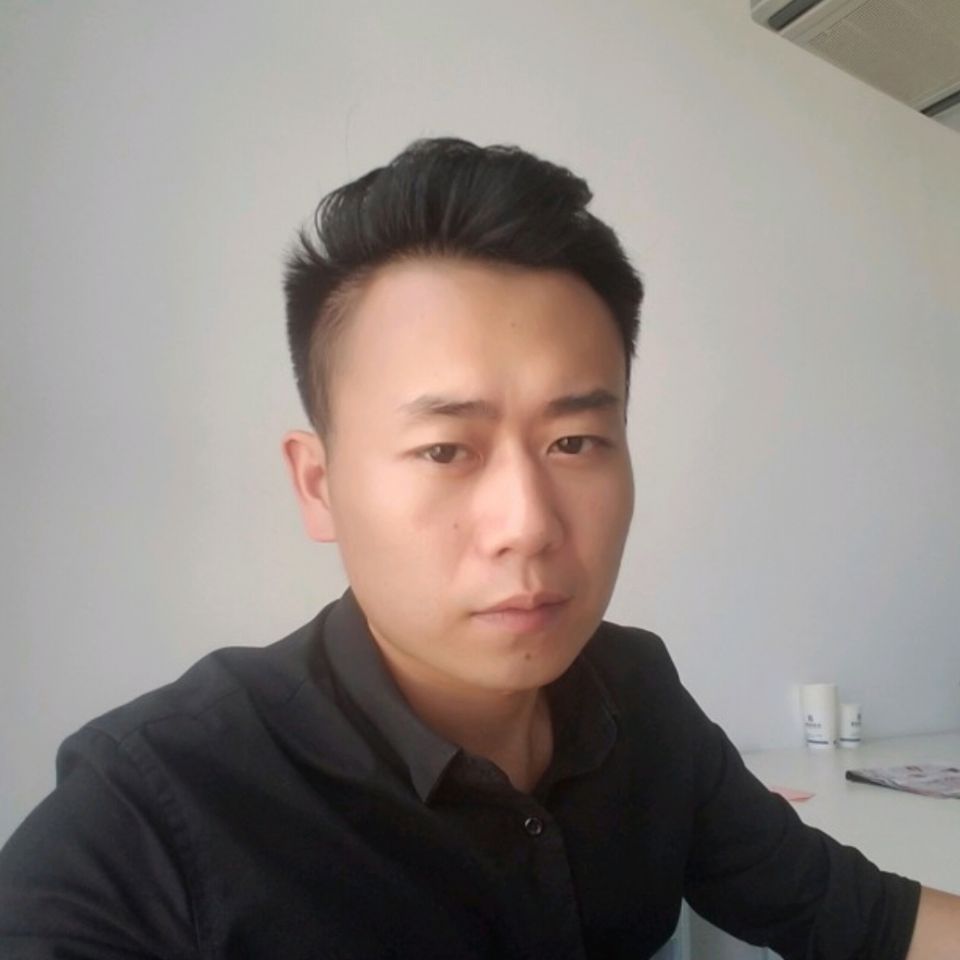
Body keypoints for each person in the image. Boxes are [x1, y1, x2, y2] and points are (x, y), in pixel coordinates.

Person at [1, 137, 957, 960]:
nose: (528, 523)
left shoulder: (637, 700)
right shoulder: (153, 810)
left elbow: (868, 923)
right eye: (444, 450)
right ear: (319, 484)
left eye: (574, 442)